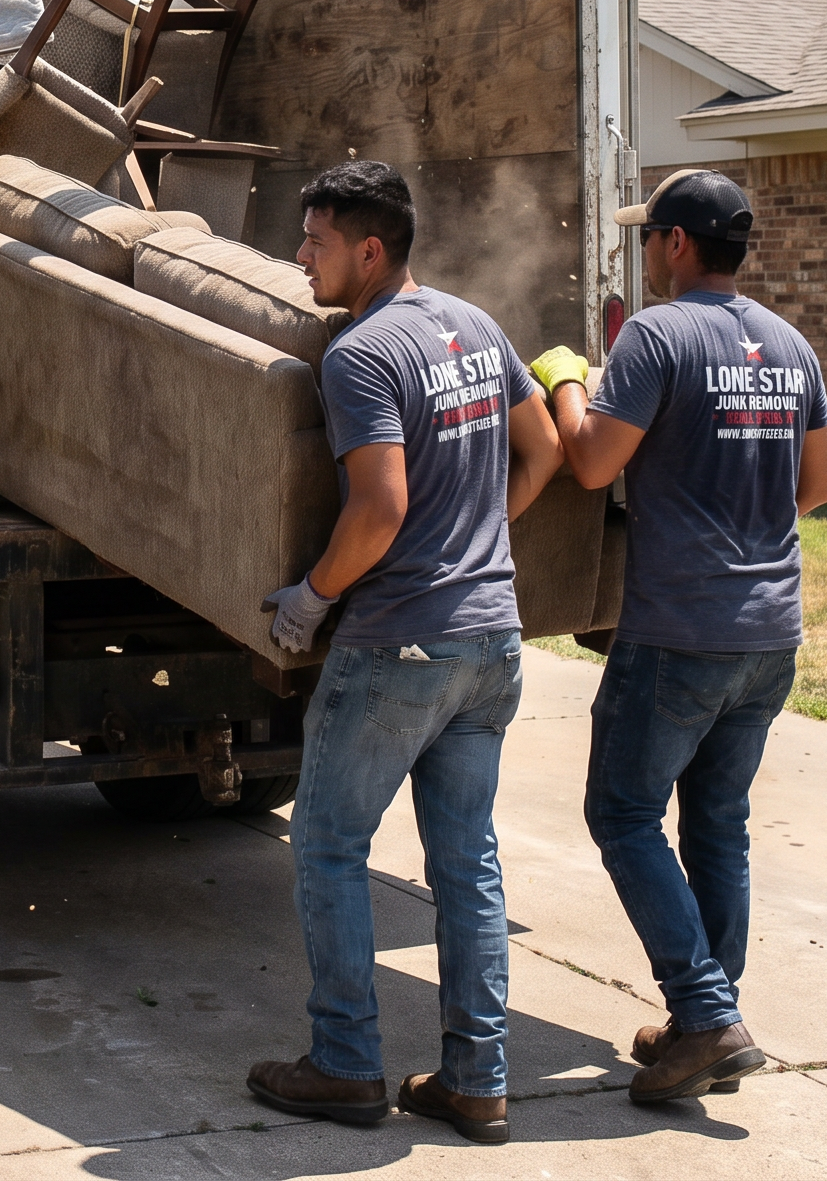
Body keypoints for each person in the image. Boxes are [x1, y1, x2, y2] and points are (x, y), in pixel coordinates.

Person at [247, 160, 562, 1146]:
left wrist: (313, 595)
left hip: (402, 644)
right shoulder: (475, 323)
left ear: (369, 249)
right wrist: (481, 545)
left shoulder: (360, 353)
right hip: (490, 641)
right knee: (466, 864)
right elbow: (544, 444)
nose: (301, 257)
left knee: (331, 845)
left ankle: (345, 1063)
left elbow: (380, 508)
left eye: (316, 241)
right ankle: (477, 1078)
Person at [527, 167, 827, 1105]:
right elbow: (817, 487)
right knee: (718, 825)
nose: (647, 253)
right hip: (768, 630)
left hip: (677, 632)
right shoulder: (791, 344)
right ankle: (713, 1019)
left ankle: (704, 1013)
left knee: (622, 813)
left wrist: (567, 378)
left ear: (676, 244)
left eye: (649, 237)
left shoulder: (657, 335)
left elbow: (588, 463)